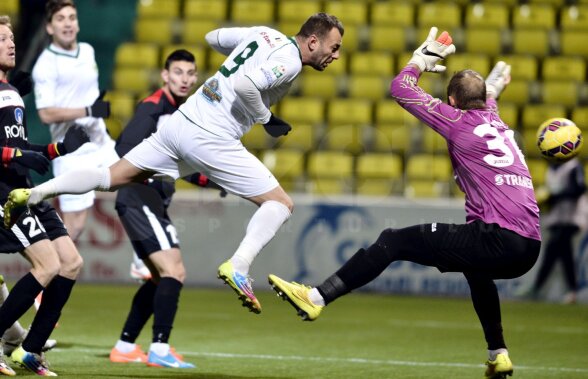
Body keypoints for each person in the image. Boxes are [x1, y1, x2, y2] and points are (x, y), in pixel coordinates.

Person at [4, 13, 344, 314]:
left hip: (181, 123)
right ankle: (239, 265)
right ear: (313, 41)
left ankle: (33, 193)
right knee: (280, 204)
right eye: (333, 47)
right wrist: (266, 117)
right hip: (213, 137)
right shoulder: (290, 61)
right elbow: (245, 84)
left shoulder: (264, 34)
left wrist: (239, 60)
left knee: (111, 175)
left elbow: (214, 39)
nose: (336, 55)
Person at [268, 27, 541, 379]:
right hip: (529, 245)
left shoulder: (456, 121)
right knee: (477, 270)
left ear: (453, 102)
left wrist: (419, 61)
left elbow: (401, 88)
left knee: (393, 240)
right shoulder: (500, 125)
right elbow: (487, 100)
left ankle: (317, 298)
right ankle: (498, 353)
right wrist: (494, 86)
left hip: (496, 237)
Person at [108, 49, 218, 369]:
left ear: (196, 78)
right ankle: (159, 348)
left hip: (149, 202)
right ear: (165, 76)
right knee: (175, 271)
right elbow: (123, 148)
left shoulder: (179, 111)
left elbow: (181, 168)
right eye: (178, 72)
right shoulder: (154, 107)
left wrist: (216, 182)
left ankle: (126, 346)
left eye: (190, 73)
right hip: (140, 199)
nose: (184, 79)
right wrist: (155, 175)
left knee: (159, 277)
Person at [0, 15, 89, 376]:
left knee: (70, 262)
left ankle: (29, 350)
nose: (11, 42)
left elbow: (18, 146)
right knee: (47, 264)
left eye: (10, 37)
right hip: (6, 192)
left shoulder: (10, 90)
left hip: (27, 189)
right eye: (3, 38)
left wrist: (59, 148)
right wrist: (23, 156)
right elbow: (11, 152)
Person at [31, 0, 118, 242]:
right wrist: (88, 110)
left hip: (102, 144)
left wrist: (95, 106)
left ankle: (143, 264)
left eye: (72, 18)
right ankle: (47, 271)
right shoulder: (46, 65)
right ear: (49, 28)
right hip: (72, 153)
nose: (68, 24)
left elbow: (86, 91)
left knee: (141, 182)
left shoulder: (88, 50)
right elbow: (46, 114)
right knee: (73, 228)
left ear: (78, 23)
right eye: (60, 19)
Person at [530, 157, 585, 303]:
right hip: (556, 218)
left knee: (555, 251)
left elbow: (579, 189)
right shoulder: (550, 169)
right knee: (561, 254)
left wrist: (555, 195)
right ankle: (571, 291)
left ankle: (536, 287)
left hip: (572, 217)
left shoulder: (573, 165)